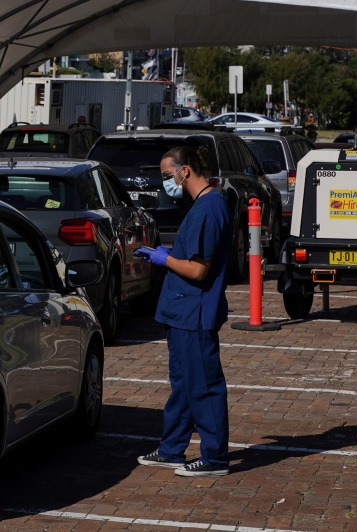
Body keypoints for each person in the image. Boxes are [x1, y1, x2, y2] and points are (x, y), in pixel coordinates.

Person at [134, 146, 232, 477]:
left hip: (195, 314)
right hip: (181, 313)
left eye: (167, 174)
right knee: (184, 383)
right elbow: (189, 256)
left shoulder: (209, 208)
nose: (166, 182)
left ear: (185, 171)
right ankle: (173, 449)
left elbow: (197, 270)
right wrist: (167, 253)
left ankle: (215, 458)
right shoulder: (202, 206)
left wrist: (164, 259)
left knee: (203, 385)